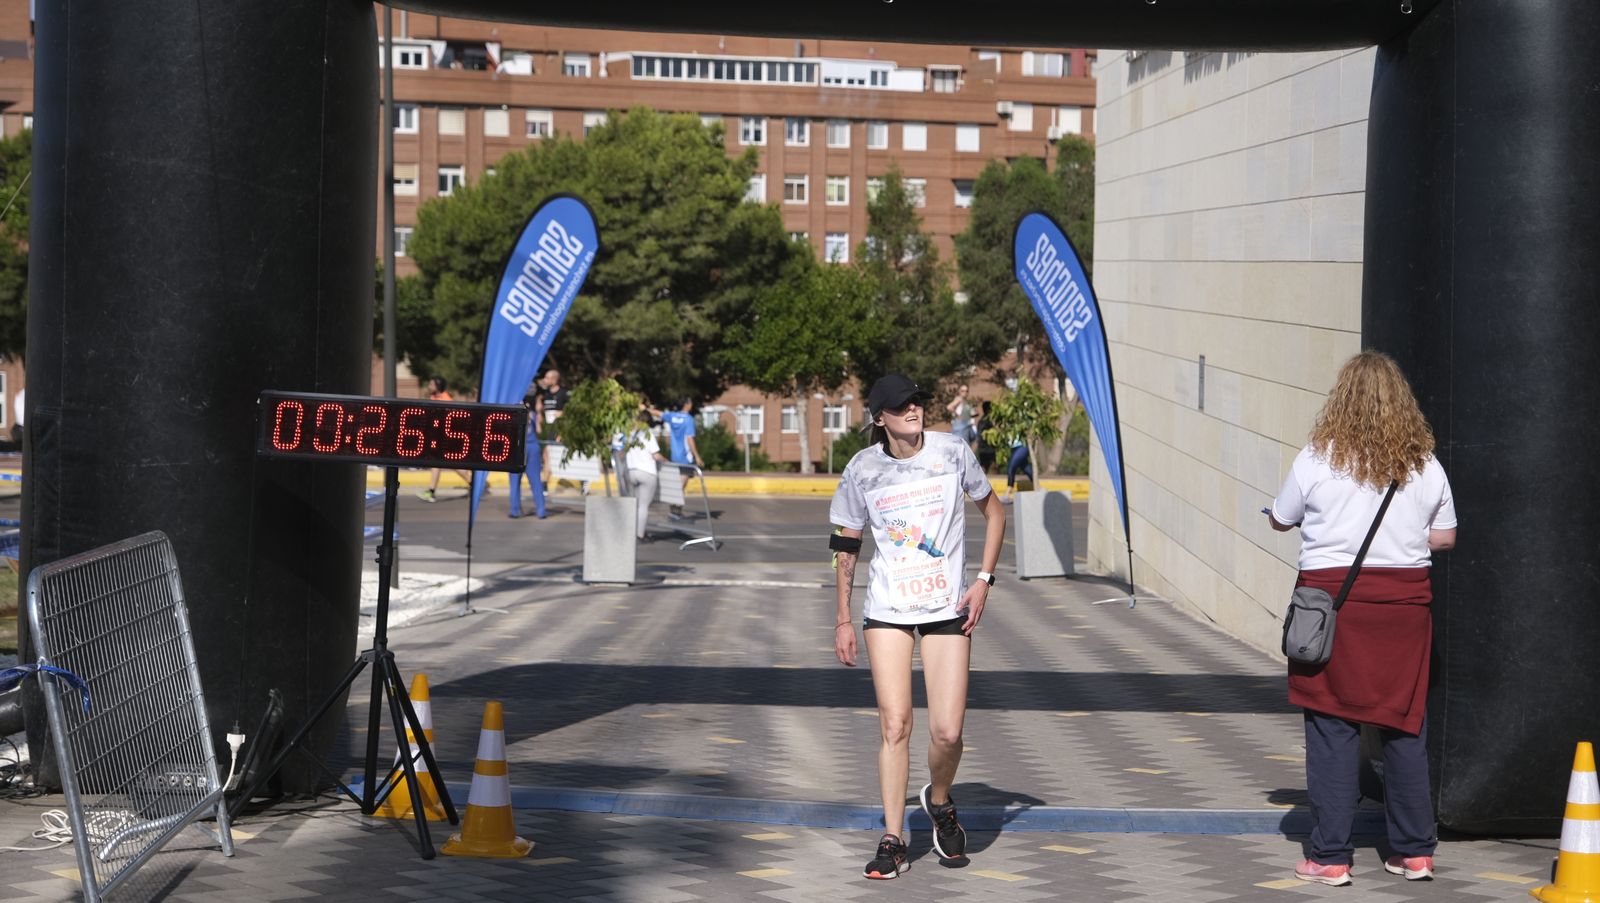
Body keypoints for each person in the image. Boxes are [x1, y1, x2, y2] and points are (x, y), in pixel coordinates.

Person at [1266, 350, 1457, 888]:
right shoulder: (1425, 464)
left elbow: (1282, 519)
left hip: (1333, 610)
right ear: (1403, 404)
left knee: (1331, 727)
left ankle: (1330, 857)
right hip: (1403, 612)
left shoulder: (1316, 458)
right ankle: (1415, 853)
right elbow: (1445, 537)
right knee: (1403, 725)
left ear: (1340, 400)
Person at [828, 374, 1006, 880]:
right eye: (900, 405)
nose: (913, 409)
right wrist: (843, 616)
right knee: (896, 724)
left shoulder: (953, 452)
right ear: (879, 418)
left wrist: (983, 582)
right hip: (887, 609)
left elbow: (995, 514)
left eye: (917, 402)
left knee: (948, 732)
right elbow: (846, 545)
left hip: (948, 607)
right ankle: (893, 838)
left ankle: (941, 801)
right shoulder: (863, 469)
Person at [417, 377, 475, 502]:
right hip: (438, 436)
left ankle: (432, 491)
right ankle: (432, 491)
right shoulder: (434, 398)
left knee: (443, 462)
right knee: (441, 463)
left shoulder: (446, 399)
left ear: (438, 385)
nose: (429, 385)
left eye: (431, 383)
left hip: (446, 437)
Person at [620, 409, 665, 540]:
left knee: (634, 504)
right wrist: (668, 462)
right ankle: (640, 534)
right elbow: (656, 455)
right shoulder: (648, 434)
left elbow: (622, 453)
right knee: (643, 506)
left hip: (631, 472)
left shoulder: (630, 434)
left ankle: (630, 531)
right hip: (647, 472)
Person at [659, 398, 702, 521]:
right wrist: (697, 456)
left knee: (678, 485)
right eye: (690, 403)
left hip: (674, 456)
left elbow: (658, 413)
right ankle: (675, 511)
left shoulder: (672, 416)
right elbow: (690, 439)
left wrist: (646, 409)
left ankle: (675, 511)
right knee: (681, 485)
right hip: (685, 457)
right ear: (687, 405)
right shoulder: (688, 419)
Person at [1002, 435, 1033, 503]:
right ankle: (1038, 486)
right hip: (1013, 448)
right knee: (1026, 468)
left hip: (1022, 446)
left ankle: (1007, 493)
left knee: (1011, 467)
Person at [974, 400, 996, 473]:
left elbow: (978, 436)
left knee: (984, 469)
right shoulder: (990, 421)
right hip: (990, 449)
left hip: (982, 449)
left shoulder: (981, 421)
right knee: (993, 468)